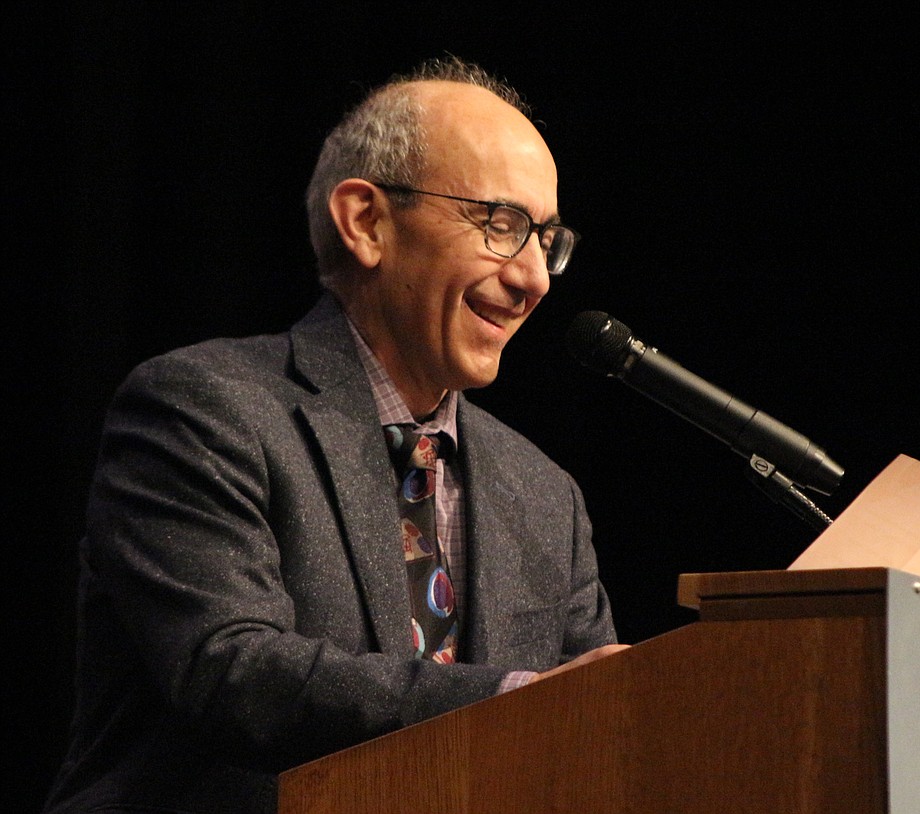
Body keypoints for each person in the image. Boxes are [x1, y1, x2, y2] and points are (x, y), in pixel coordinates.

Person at [43, 56, 627, 813]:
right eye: (502, 225)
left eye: (547, 239)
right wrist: (520, 697)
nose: (536, 279)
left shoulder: (544, 494)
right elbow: (233, 673)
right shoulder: (203, 410)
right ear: (366, 222)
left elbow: (598, 730)